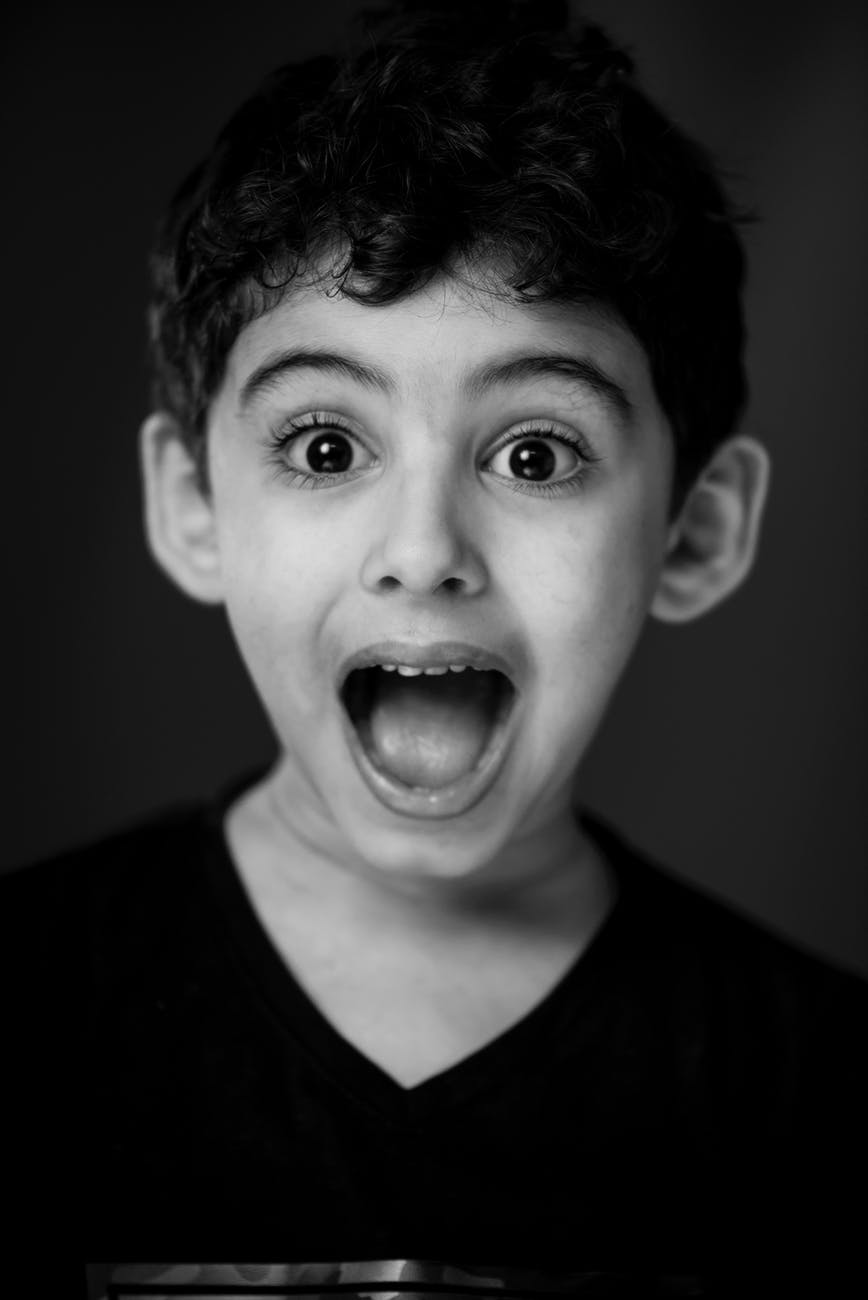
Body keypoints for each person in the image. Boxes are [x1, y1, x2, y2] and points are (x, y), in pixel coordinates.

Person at [5, 1, 865, 1294]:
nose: (424, 547)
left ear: (695, 532)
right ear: (192, 506)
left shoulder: (818, 1095)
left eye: (535, 454)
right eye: (325, 447)